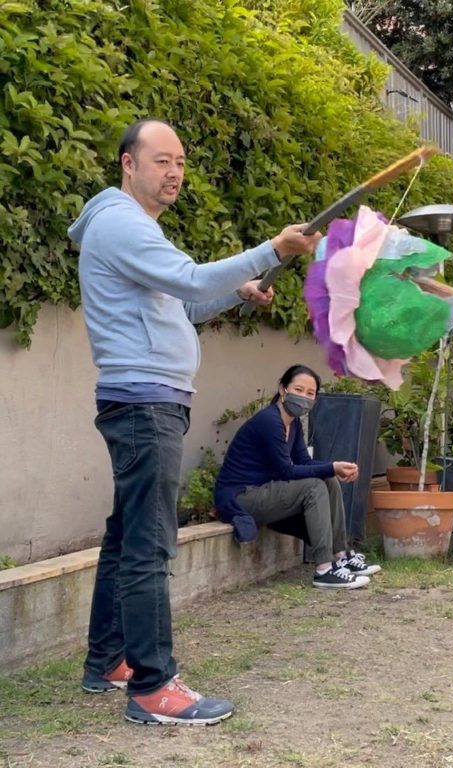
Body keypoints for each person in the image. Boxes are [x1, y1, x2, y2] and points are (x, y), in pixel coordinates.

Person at [70, 118, 322, 725]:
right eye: (161, 160)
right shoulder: (120, 224)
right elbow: (188, 278)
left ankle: (108, 661)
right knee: (150, 544)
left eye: (180, 161)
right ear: (128, 164)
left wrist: (239, 292)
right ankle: (153, 688)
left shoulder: (136, 230)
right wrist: (272, 250)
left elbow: (185, 304)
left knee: (128, 534)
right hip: (144, 404)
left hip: (149, 401)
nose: (175, 171)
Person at [215, 365, 380, 589]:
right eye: (298, 389)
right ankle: (324, 568)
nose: (304, 397)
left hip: (264, 491)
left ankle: (342, 555)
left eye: (310, 394)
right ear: (283, 389)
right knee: (314, 486)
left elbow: (304, 462)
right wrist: (332, 466)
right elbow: (286, 470)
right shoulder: (270, 421)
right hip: (241, 496)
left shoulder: (291, 424)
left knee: (328, 480)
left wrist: (334, 468)